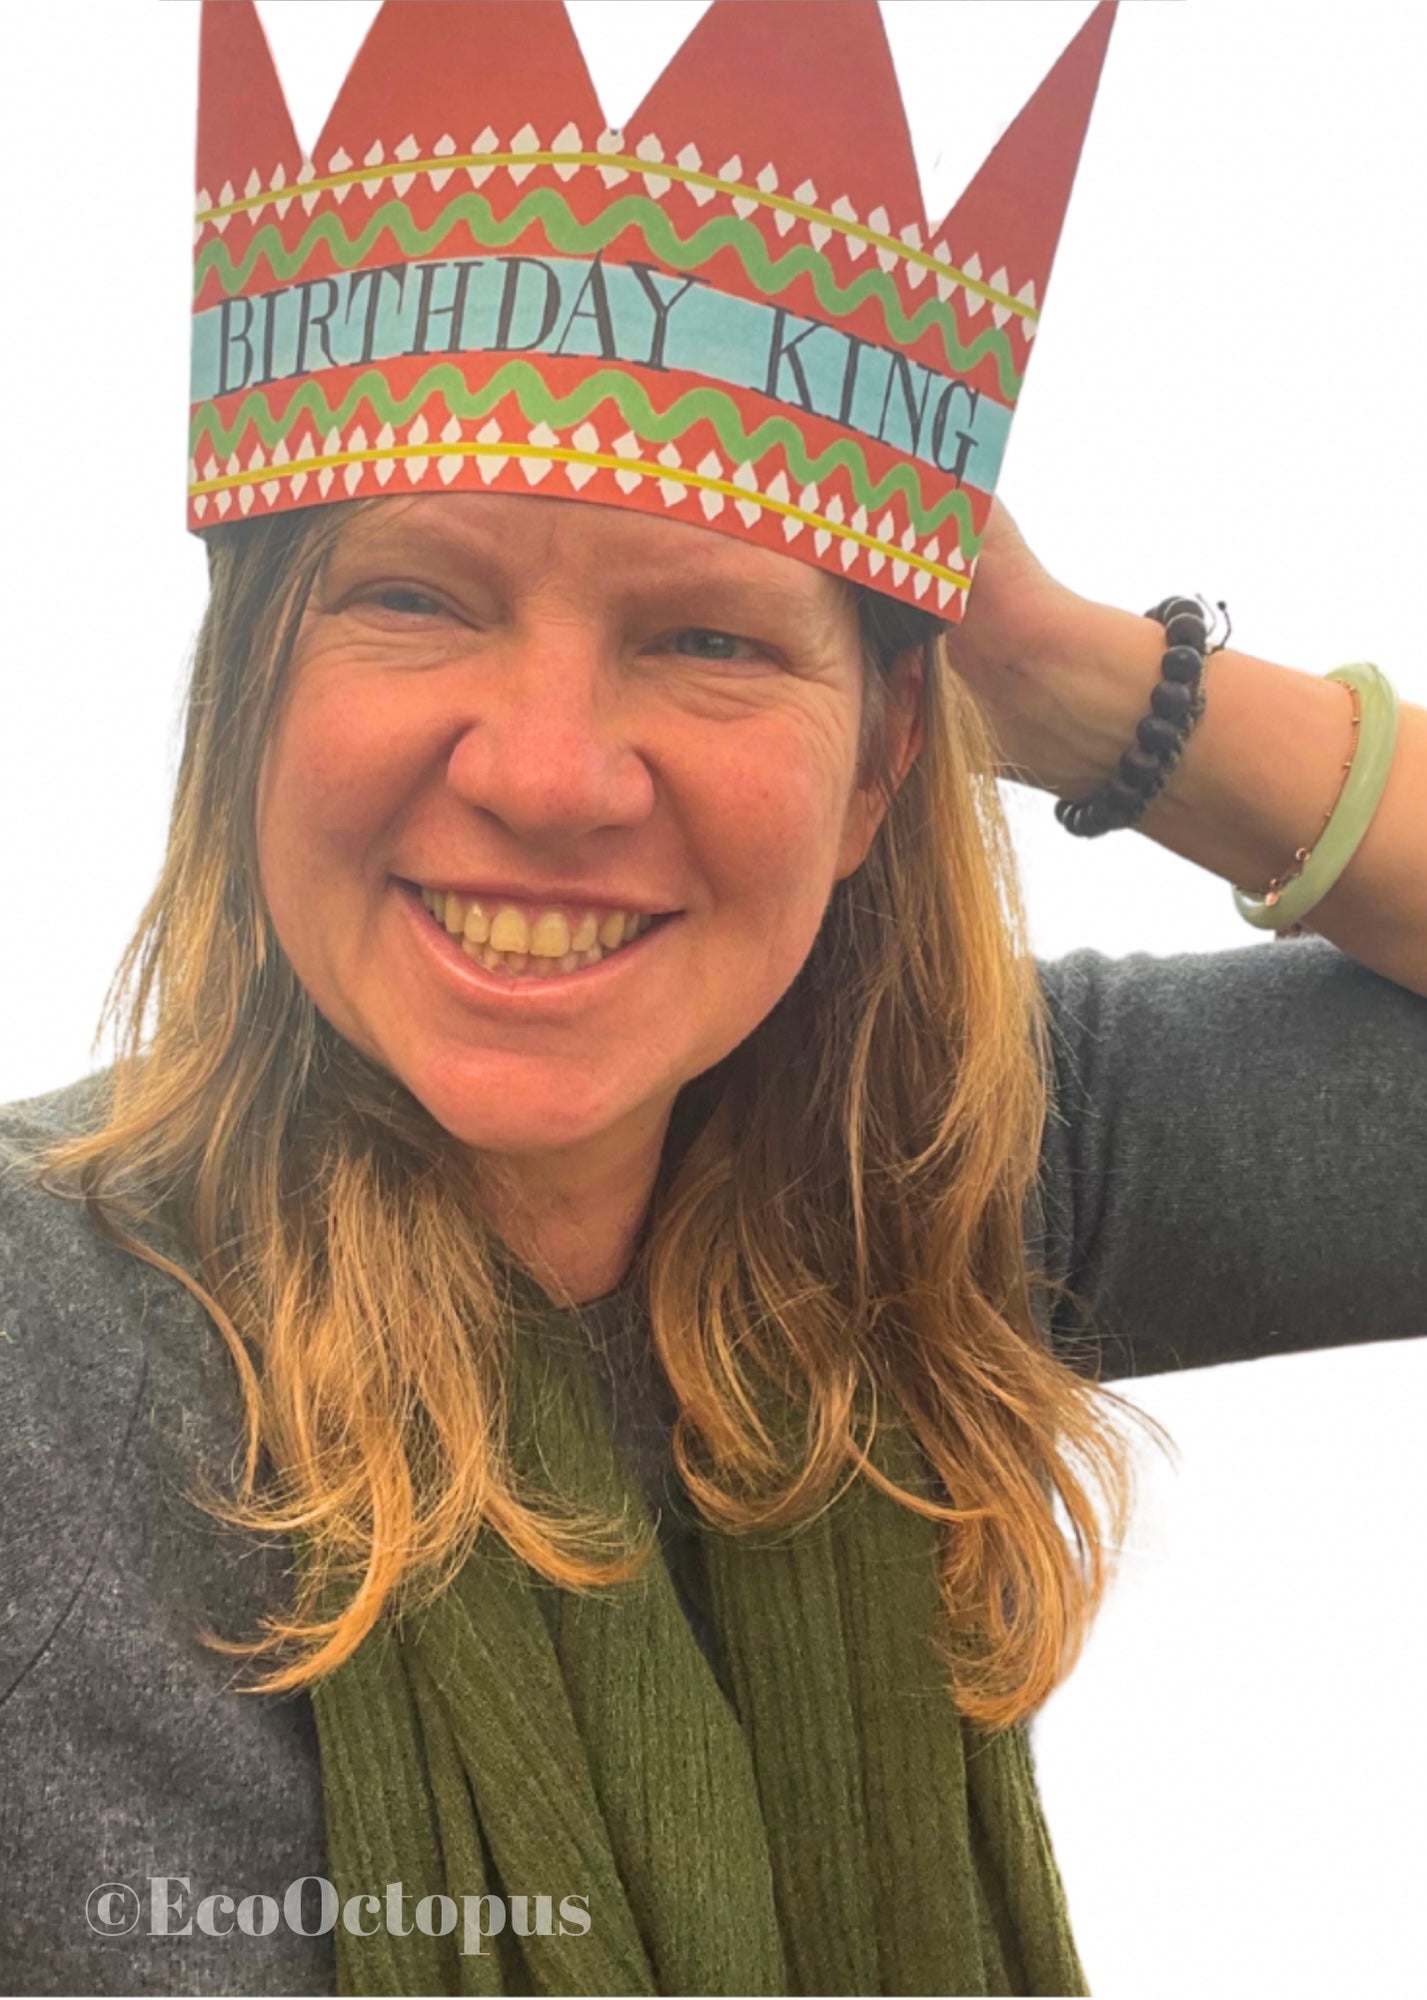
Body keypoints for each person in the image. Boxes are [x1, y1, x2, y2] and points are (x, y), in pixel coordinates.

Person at [1, 2, 1423, 1994]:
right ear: (252, 695)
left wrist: (1086, 681)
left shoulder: (955, 1168)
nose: (549, 774)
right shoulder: (42, 1337)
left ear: (882, 765)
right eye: (414, 595)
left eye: (710, 640)